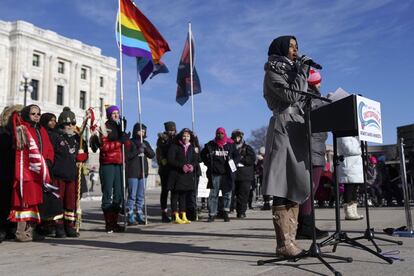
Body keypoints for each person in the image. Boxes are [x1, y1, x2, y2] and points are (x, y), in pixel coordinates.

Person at [262, 36, 311, 257]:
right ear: (280, 48)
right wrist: (301, 73)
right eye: (291, 46)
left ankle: (292, 240)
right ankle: (283, 244)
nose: (295, 49)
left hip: (298, 127)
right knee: (282, 183)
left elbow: (303, 99)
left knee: (296, 183)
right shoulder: (273, 71)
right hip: (283, 125)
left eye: (296, 46)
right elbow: (291, 96)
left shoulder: (293, 72)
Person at [9, 104, 54, 242]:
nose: (36, 116)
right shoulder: (23, 129)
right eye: (33, 113)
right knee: (24, 202)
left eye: (38, 114)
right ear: (27, 114)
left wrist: (48, 161)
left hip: (38, 172)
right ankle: (20, 232)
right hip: (26, 172)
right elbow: (20, 151)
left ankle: (31, 231)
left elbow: (48, 147)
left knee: (35, 202)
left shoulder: (41, 130)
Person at [296, 69, 329, 240]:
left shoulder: (308, 94)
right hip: (311, 147)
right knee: (309, 189)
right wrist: (328, 104)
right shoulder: (307, 95)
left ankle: (306, 225)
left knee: (310, 189)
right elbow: (310, 114)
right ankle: (305, 226)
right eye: (320, 81)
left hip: (315, 146)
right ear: (314, 82)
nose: (321, 84)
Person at [47, 107, 88, 237]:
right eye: (67, 123)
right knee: (59, 202)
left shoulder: (77, 138)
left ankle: (69, 226)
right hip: (58, 174)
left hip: (73, 175)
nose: (70, 126)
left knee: (70, 202)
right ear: (61, 124)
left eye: (73, 123)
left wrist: (83, 156)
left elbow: (83, 153)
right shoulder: (55, 137)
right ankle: (58, 227)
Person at [90, 105, 128, 233]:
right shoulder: (104, 127)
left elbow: (125, 146)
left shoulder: (119, 127)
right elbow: (104, 147)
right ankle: (109, 223)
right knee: (108, 193)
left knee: (119, 194)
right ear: (109, 115)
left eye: (117, 113)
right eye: (113, 113)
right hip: (108, 163)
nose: (116, 115)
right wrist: (120, 142)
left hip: (119, 163)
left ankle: (115, 222)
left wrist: (125, 137)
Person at [201, 127, 240, 222]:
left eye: (222, 133)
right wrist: (208, 163)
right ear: (215, 134)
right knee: (213, 195)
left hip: (227, 174)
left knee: (227, 194)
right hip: (215, 174)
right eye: (218, 133)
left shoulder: (230, 145)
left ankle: (225, 213)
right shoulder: (210, 145)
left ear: (224, 134)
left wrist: (233, 162)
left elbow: (237, 156)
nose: (220, 135)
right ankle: (212, 214)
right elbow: (202, 155)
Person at [0, 105, 22, 242]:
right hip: (3, 171)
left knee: (12, 200)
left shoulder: (19, 134)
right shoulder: (3, 133)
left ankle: (11, 227)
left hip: (15, 173)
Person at [167, 128, 199, 224]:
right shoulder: (175, 146)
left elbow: (195, 159)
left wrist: (192, 166)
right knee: (175, 196)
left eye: (188, 136)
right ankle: (175, 215)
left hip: (186, 176)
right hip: (176, 175)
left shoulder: (192, 147)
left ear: (190, 138)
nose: (186, 138)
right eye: (184, 136)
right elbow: (170, 159)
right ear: (181, 136)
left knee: (183, 196)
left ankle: (183, 215)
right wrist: (181, 166)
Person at [126, 123, 155, 225]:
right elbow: (127, 156)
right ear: (135, 131)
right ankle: (129, 213)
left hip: (143, 172)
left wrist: (145, 148)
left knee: (140, 195)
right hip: (133, 172)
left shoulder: (145, 142)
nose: (142, 132)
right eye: (140, 130)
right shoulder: (130, 142)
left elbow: (152, 155)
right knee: (132, 195)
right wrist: (137, 151)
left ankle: (139, 212)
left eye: (144, 131)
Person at [337, 136, 364, 220]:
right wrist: (359, 146)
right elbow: (349, 149)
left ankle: (354, 211)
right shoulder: (343, 135)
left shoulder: (355, 137)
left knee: (354, 189)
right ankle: (348, 212)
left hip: (356, 165)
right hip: (349, 164)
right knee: (349, 188)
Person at [231, 129, 255, 218]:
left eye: (238, 137)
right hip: (233, 174)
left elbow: (251, 159)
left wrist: (240, 159)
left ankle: (241, 212)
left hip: (245, 175)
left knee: (243, 195)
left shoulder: (248, 148)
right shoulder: (230, 147)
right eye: (234, 137)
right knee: (233, 193)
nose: (236, 139)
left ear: (241, 137)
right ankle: (229, 209)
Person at [156, 121, 177, 222]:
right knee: (165, 191)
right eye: (169, 130)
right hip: (164, 169)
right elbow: (159, 152)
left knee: (174, 192)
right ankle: (164, 213)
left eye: (173, 130)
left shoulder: (177, 138)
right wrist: (162, 161)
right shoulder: (162, 139)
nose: (171, 132)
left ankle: (174, 213)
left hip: (174, 169)